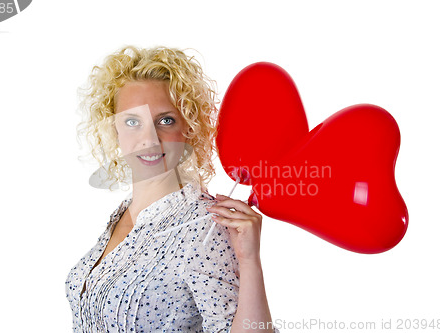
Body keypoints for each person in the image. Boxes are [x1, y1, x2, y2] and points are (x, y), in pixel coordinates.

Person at [65, 46, 279, 333]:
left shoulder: (204, 226)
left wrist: (250, 262)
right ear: (115, 130)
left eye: (165, 121)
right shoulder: (123, 215)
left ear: (188, 127)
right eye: (132, 122)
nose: (149, 139)